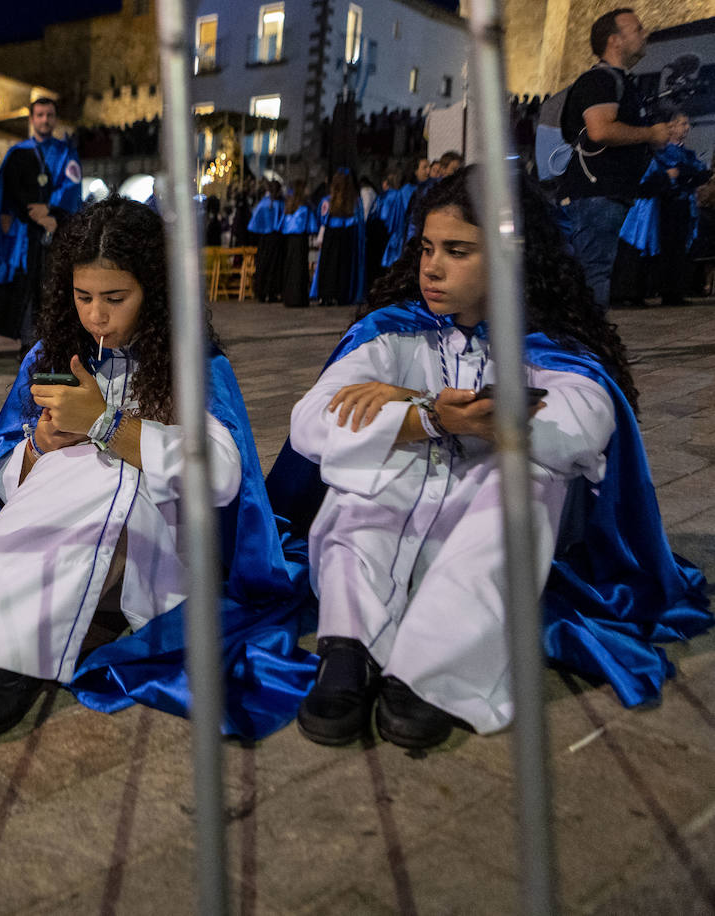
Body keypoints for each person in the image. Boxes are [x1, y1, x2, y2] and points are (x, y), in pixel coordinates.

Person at [282, 168, 709, 750]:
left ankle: (437, 666)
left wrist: (434, 415)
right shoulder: (393, 333)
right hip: (384, 535)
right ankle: (348, 646)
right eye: (428, 248)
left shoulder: (547, 345)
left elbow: (582, 426)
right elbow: (311, 422)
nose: (432, 267)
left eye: (457, 251)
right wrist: (428, 416)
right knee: (367, 466)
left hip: (477, 543)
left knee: (526, 475)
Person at [0, 197, 310, 744]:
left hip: (157, 540)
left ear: (154, 294)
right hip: (49, 523)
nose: (96, 316)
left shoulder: (193, 364)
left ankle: (12, 653)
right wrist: (38, 444)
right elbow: (1, 473)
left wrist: (105, 425)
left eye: (115, 298)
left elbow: (222, 475)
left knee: (102, 476)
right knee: (58, 480)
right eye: (83, 297)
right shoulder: (50, 354)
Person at [559, 8, 674, 308]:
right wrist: (650, 134)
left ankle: (592, 346)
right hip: (597, 193)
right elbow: (600, 130)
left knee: (596, 271)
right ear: (615, 41)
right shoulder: (600, 81)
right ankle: (589, 349)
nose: (644, 33)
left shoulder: (621, 81)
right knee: (592, 273)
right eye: (636, 28)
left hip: (607, 192)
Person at [0, 96, 83, 355]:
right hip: (24, 233)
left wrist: (50, 210)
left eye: (49, 115)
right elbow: (6, 191)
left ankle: (51, 341)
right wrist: (28, 214)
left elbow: (71, 186)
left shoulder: (65, 152)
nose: (45, 120)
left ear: (55, 119)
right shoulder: (17, 153)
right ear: (32, 119)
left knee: (52, 286)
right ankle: (28, 343)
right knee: (26, 287)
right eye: (40, 115)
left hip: (54, 228)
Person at [612, 108, 711, 307]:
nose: (686, 128)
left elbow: (694, 172)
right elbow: (649, 180)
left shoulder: (679, 153)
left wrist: (681, 176)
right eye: (681, 124)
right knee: (639, 250)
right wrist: (671, 177)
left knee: (670, 250)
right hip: (645, 210)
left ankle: (668, 291)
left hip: (665, 206)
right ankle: (630, 294)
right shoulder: (653, 154)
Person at [311, 169, 365, 306]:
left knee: (328, 265)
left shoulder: (327, 201)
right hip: (348, 235)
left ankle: (326, 295)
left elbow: (321, 218)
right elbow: (360, 222)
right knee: (345, 266)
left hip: (331, 235)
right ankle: (343, 295)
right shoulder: (355, 202)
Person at [280, 181, 319, 308]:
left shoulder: (290, 206)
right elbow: (312, 226)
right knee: (300, 267)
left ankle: (289, 297)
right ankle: (298, 298)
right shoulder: (304, 208)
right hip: (300, 240)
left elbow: (282, 225)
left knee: (290, 266)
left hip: (289, 240)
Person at [248, 180, 285, 303]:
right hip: (276, 238)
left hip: (264, 239)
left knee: (263, 265)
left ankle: (261, 292)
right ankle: (272, 292)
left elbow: (254, 221)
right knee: (274, 266)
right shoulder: (280, 203)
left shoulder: (263, 203)